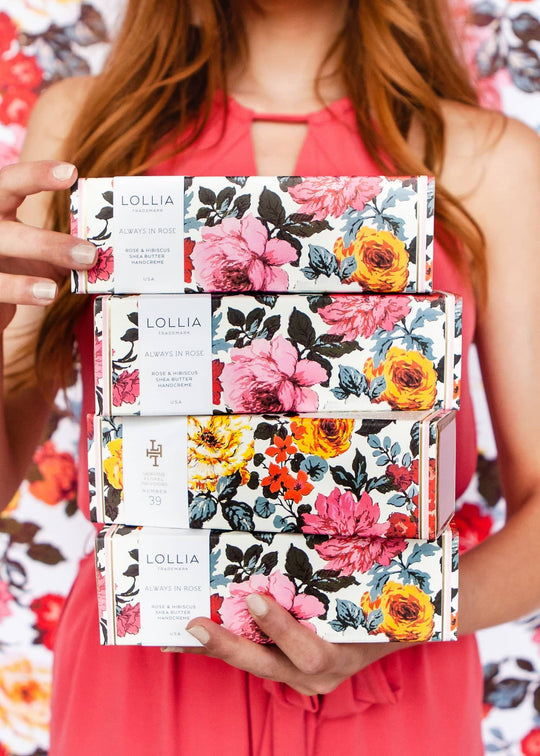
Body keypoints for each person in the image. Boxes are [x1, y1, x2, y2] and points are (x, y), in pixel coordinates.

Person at [1, 1, 539, 754]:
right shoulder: (85, 126)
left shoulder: (489, 159)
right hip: (141, 680)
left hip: (393, 688)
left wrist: (391, 616)